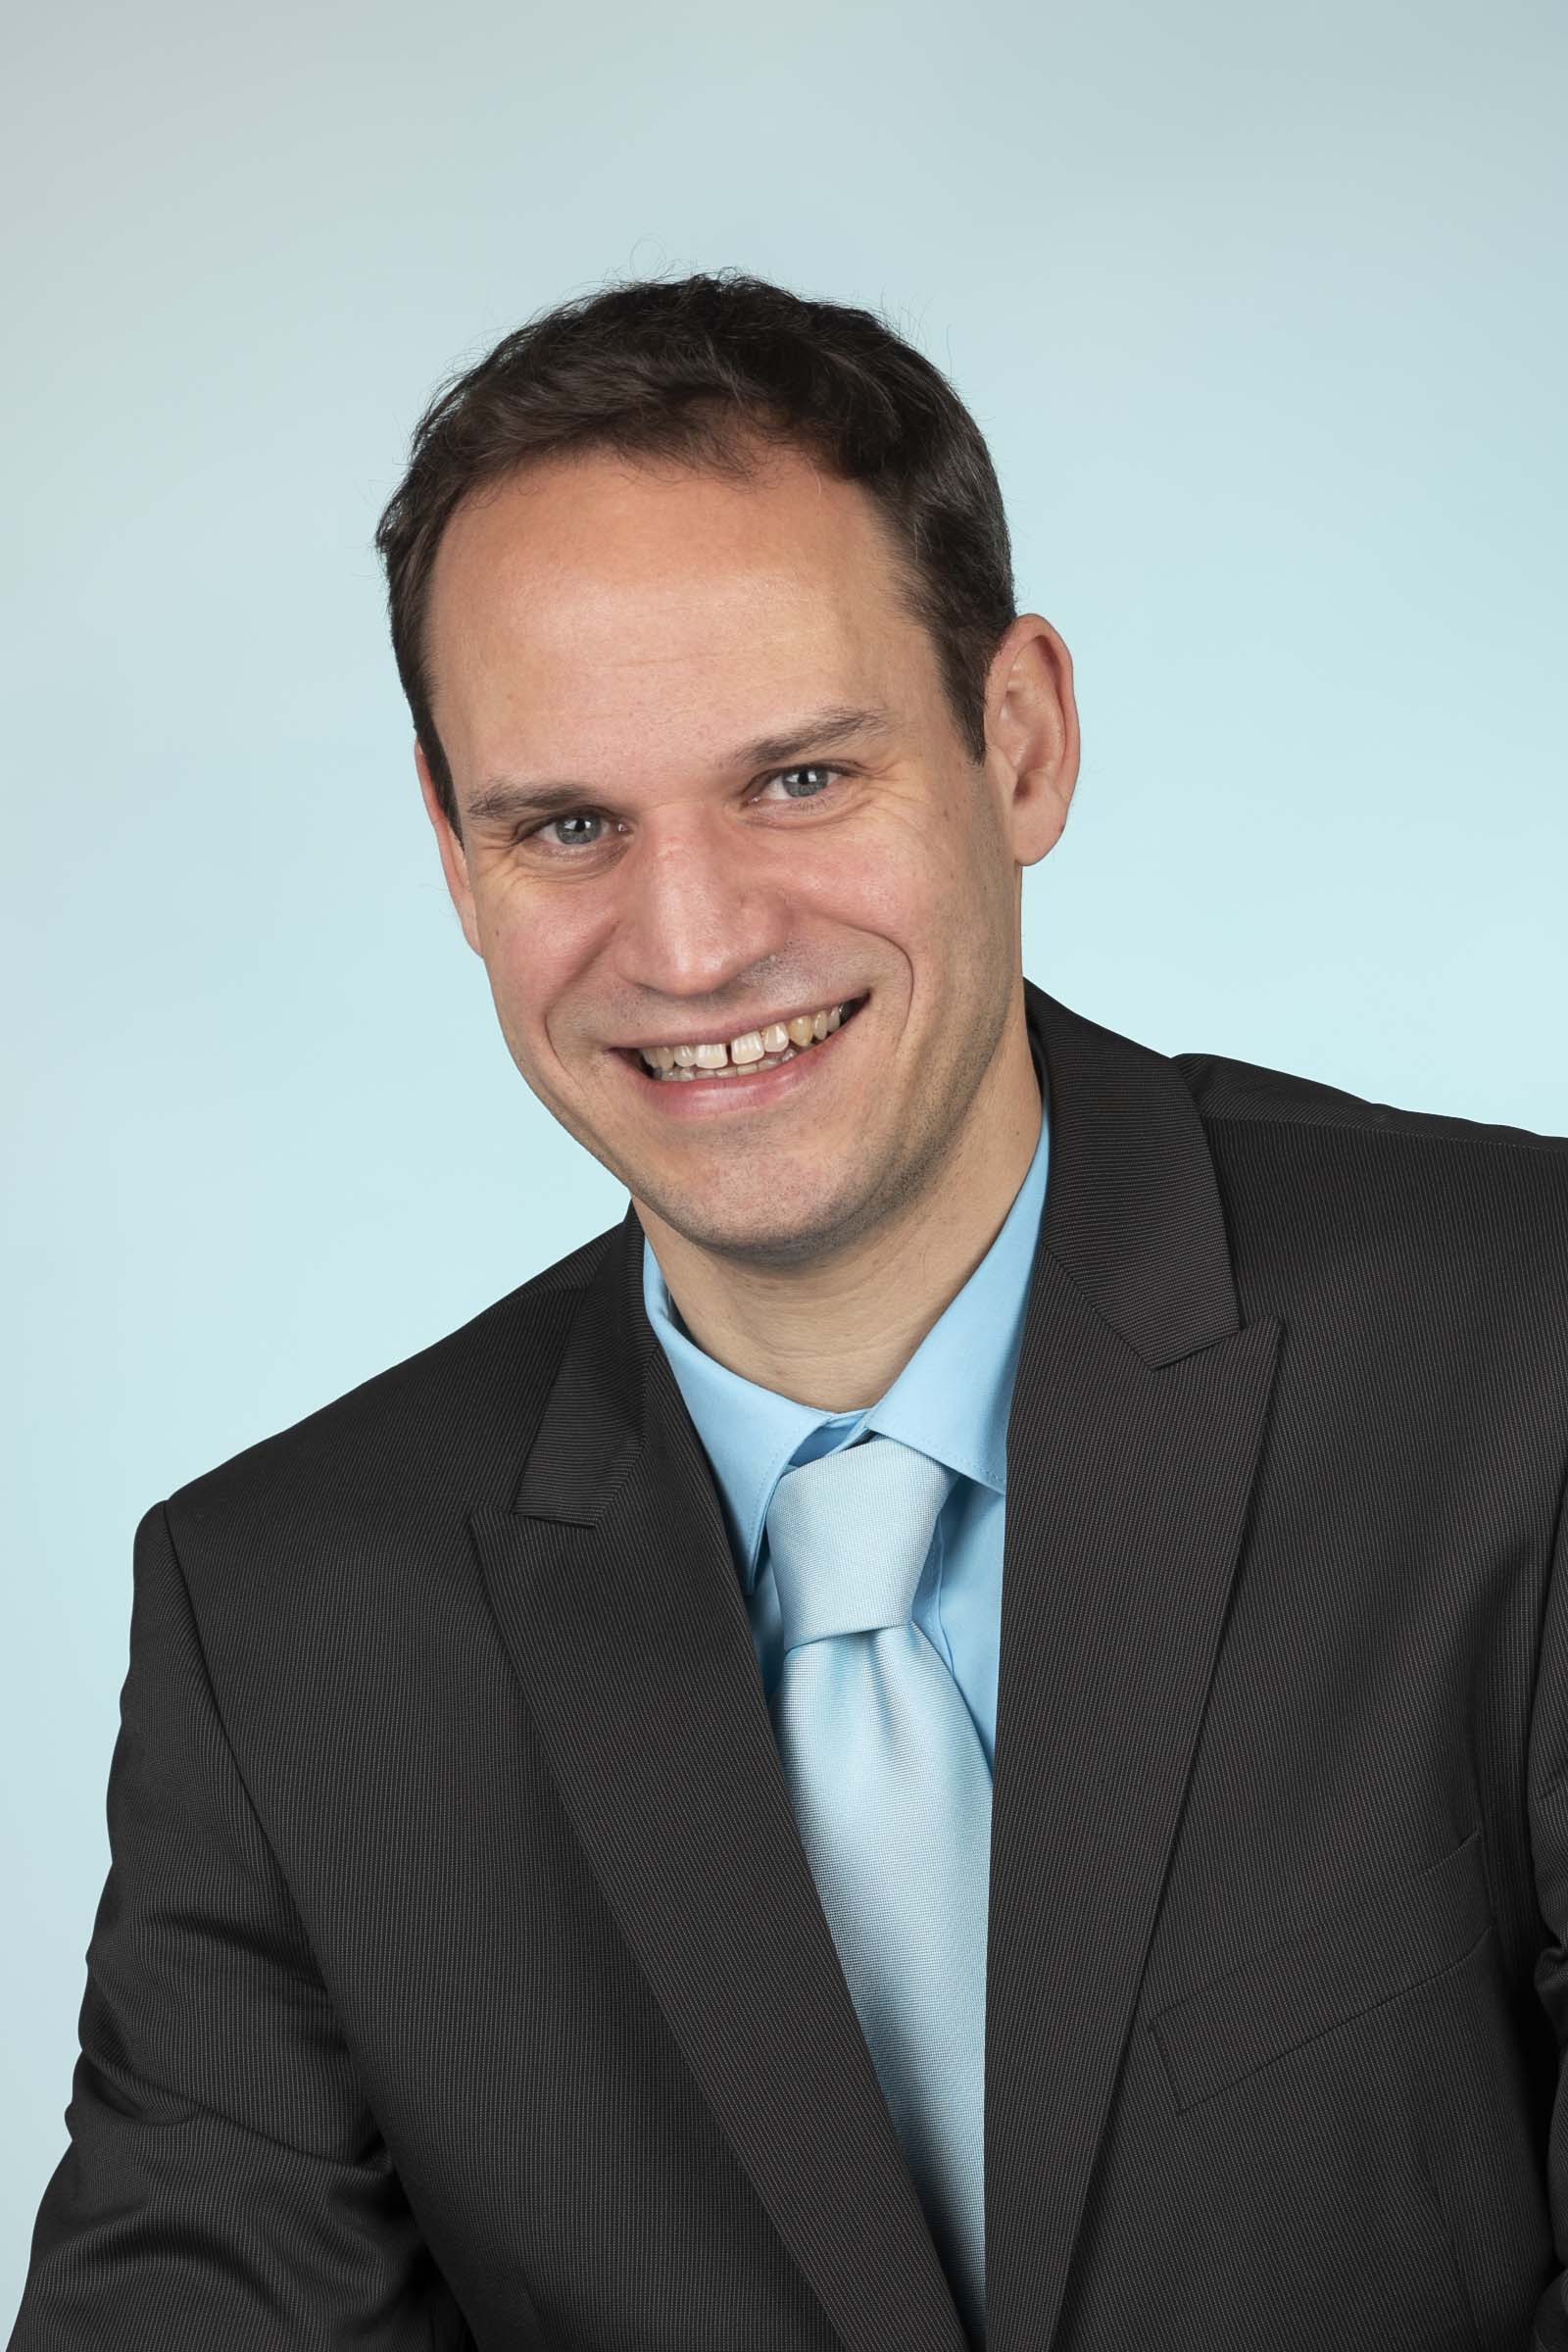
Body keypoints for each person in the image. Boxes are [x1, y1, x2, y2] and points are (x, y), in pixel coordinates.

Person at [9, 269, 1568, 2352]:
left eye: (800, 781)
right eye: (568, 824)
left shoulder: (1523, 1352)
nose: (689, 944)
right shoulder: (292, 1626)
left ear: (1019, 743)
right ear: (455, 858)